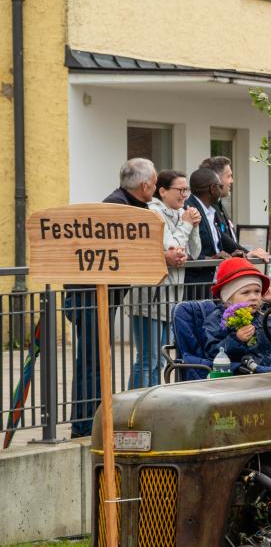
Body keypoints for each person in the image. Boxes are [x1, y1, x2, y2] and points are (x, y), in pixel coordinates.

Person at [64, 158, 156, 437]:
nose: (154, 187)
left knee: (97, 359)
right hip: (89, 295)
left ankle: (92, 420)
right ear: (144, 185)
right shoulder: (116, 208)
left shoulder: (131, 205)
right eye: (153, 183)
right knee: (92, 360)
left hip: (100, 294)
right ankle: (84, 424)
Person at [128, 170, 203, 388]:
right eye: (180, 190)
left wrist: (194, 226)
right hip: (149, 296)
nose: (184, 195)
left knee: (160, 359)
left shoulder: (181, 215)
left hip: (170, 297)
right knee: (147, 359)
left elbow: (195, 252)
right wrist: (187, 224)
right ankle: (135, 408)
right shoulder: (153, 213)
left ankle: (147, 404)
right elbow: (173, 248)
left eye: (186, 190)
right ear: (162, 191)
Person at [203, 257, 271, 375]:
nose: (254, 297)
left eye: (257, 291)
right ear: (227, 298)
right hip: (245, 378)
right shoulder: (218, 318)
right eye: (246, 292)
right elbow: (212, 353)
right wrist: (236, 340)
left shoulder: (264, 314)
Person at [184, 167, 246, 298]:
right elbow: (185, 250)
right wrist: (210, 259)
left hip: (210, 284)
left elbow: (218, 244)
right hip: (195, 287)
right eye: (220, 186)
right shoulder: (189, 210)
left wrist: (231, 255)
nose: (222, 189)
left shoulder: (210, 211)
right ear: (212, 188)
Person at [200, 156, 269, 262]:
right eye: (229, 176)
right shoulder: (207, 208)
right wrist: (247, 253)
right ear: (216, 179)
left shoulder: (218, 205)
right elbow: (221, 237)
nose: (232, 181)